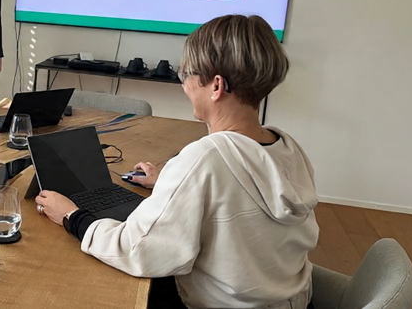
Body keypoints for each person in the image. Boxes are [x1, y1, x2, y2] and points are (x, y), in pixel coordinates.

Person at [35, 15, 319, 308]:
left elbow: (136, 250)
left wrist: (71, 215)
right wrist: (174, 183)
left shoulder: (204, 160)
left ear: (216, 86)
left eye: (187, 75)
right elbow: (241, 197)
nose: (184, 86)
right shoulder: (289, 149)